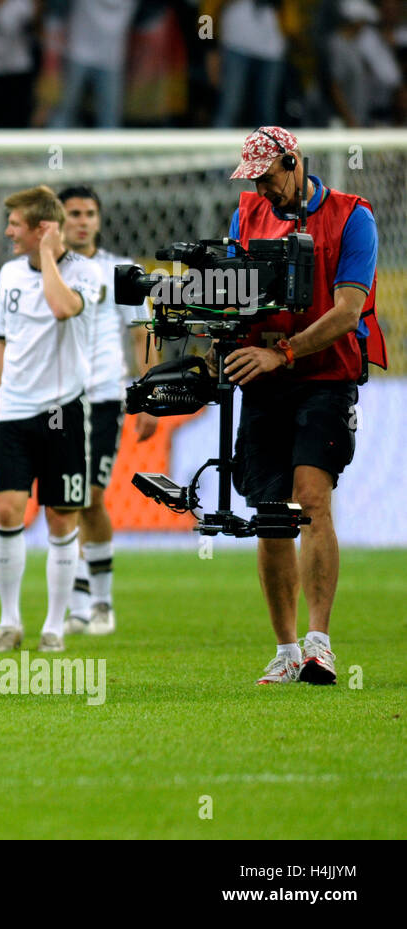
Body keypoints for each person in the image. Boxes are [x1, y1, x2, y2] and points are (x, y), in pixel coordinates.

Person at [222, 127, 385, 685]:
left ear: (293, 163)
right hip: (264, 378)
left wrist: (283, 353)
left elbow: (347, 311)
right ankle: (286, 650)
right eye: (255, 181)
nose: (262, 191)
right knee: (270, 518)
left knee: (312, 499)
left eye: (267, 178)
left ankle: (320, 643)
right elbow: (231, 292)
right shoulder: (245, 215)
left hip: (325, 376)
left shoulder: (352, 216)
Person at [0, 185, 101, 653]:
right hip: (13, 410)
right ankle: (9, 621)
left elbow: (62, 307)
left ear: (42, 230)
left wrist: (51, 257)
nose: (8, 231)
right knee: (8, 510)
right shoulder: (9, 273)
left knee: (60, 517)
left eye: (16, 224)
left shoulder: (86, 273)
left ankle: (53, 623)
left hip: (62, 409)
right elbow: (1, 341)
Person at [57, 186, 159, 636]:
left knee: (90, 497)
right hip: (55, 402)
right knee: (65, 499)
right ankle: (78, 605)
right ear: (58, 220)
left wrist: (149, 396)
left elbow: (143, 333)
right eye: (73, 213)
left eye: (89, 213)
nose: (82, 220)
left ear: (99, 219)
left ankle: (100, 603)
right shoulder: (44, 272)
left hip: (101, 398)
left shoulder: (123, 271)